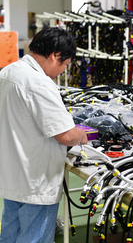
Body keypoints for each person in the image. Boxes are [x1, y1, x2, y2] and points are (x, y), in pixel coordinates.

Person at [0, 27, 88, 243]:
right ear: (54, 55)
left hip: (12, 175)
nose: (61, 72)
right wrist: (82, 135)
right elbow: (66, 136)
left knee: (10, 234)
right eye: (64, 65)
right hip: (36, 180)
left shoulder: (7, 72)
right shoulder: (39, 83)